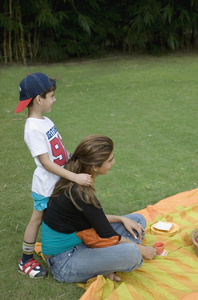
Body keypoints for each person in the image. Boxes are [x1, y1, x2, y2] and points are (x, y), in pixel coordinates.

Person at [41, 135, 157, 283]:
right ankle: (104, 266)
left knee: (137, 220)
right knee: (132, 253)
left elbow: (95, 219)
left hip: (83, 238)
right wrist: (145, 251)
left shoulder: (76, 178)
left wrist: (122, 218)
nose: (113, 162)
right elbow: (108, 235)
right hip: (63, 261)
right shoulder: (80, 193)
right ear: (94, 166)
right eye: (110, 160)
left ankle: (103, 264)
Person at [15, 73, 93, 278]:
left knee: (60, 217)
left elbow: (58, 150)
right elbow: (46, 163)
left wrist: (73, 160)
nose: (54, 99)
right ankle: (25, 260)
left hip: (59, 182)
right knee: (37, 219)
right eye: (51, 96)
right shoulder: (32, 128)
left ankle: (63, 246)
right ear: (39, 99)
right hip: (46, 187)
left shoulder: (45, 120)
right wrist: (74, 177)